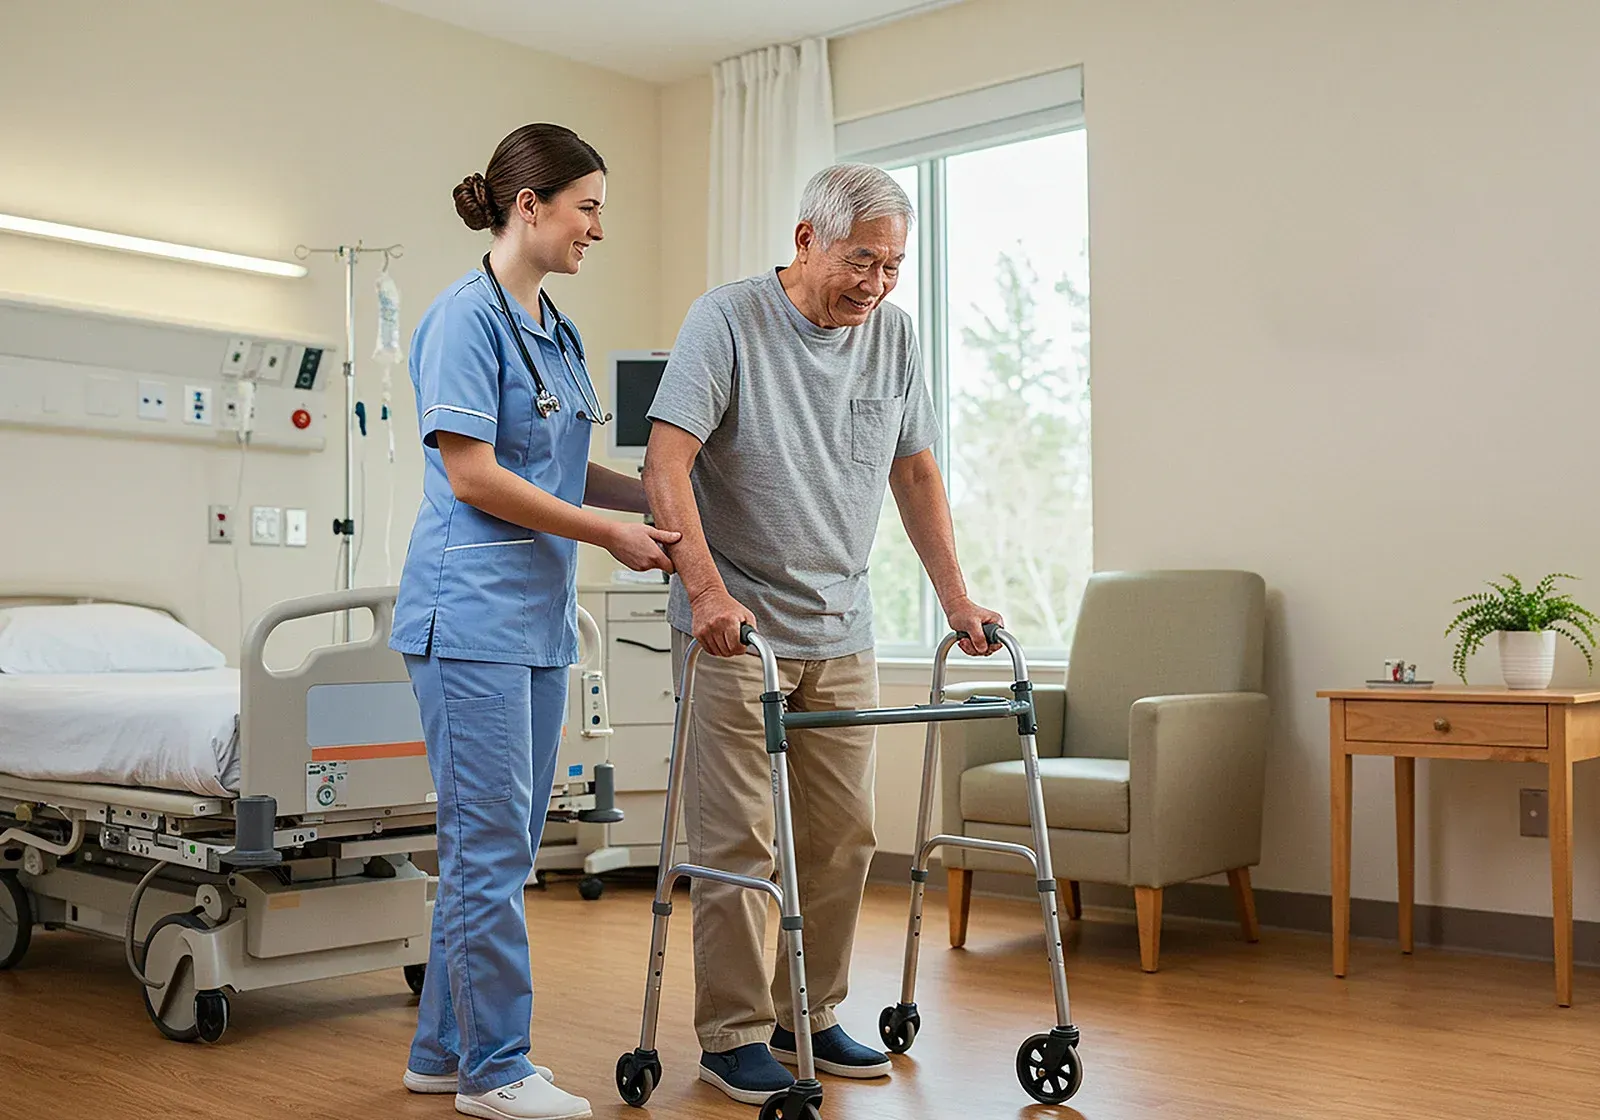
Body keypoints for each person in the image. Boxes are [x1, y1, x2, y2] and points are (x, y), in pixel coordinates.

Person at [642, 162, 1004, 1107]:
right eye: (860, 261)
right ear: (806, 239)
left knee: (846, 835)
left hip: (843, 626)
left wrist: (956, 599)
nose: (875, 284)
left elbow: (916, 475)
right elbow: (666, 464)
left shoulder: (894, 335)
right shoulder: (724, 320)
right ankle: (730, 1036)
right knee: (739, 843)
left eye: (891, 266)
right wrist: (707, 591)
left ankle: (809, 1009)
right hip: (735, 631)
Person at [389, 122, 679, 1120]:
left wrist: (658, 497)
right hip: (466, 613)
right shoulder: (461, 319)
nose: (599, 227)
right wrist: (606, 530)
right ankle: (496, 1069)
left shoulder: (555, 327)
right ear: (530, 206)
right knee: (491, 850)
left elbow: (558, 470)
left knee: (500, 837)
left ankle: (440, 1052)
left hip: (537, 617)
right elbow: (474, 475)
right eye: (587, 206)